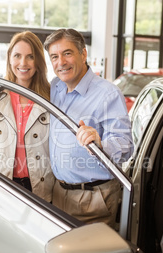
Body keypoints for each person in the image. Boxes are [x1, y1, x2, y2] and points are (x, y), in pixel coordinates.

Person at [44, 28, 134, 228]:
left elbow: (126, 146)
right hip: (58, 194)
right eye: (54, 57)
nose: (61, 62)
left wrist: (100, 142)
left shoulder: (108, 94)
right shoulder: (56, 87)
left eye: (67, 53)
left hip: (93, 200)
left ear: (83, 54)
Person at [0, 31, 55, 202]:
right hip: (2, 184)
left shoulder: (51, 97)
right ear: (9, 58)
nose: (23, 63)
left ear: (38, 61)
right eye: (17, 55)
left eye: (30, 56)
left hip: (40, 186)